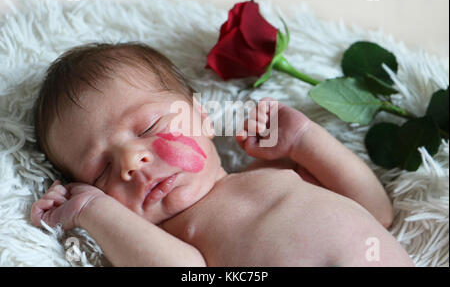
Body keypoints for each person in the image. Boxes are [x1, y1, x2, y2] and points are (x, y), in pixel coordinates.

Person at [30, 42, 414, 266]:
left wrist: (305, 141)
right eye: (101, 171)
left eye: (148, 128)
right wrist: (91, 211)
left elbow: (376, 209)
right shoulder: (165, 240)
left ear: (201, 116)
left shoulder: (276, 169)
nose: (132, 163)